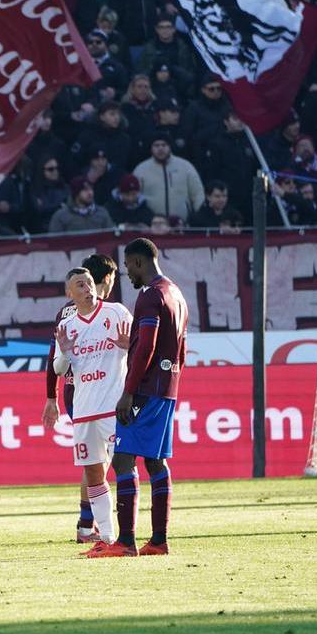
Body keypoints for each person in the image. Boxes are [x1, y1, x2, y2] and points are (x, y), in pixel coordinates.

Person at [89, 238, 188, 558]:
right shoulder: (176, 293)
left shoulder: (149, 296)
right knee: (156, 461)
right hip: (168, 387)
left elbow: (145, 345)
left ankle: (126, 541)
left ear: (140, 262)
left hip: (145, 390)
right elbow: (182, 348)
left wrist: (128, 392)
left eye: (129, 266)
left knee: (122, 460)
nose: (127, 274)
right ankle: (158, 540)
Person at [51, 268, 132, 551]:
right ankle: (107, 538)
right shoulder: (67, 326)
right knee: (94, 475)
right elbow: (59, 369)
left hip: (113, 408)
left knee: (124, 468)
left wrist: (129, 347)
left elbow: (141, 349)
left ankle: (127, 535)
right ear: (69, 294)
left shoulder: (117, 313)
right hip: (84, 410)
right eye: (79, 285)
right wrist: (67, 352)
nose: (87, 288)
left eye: (88, 283)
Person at [42, 253, 119, 543]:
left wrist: (52, 396)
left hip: (77, 394)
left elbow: (52, 359)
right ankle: (89, 526)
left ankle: (89, 525)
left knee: (96, 461)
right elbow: (57, 356)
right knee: (103, 462)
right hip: (97, 395)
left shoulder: (67, 310)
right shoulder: (103, 312)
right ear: (108, 279)